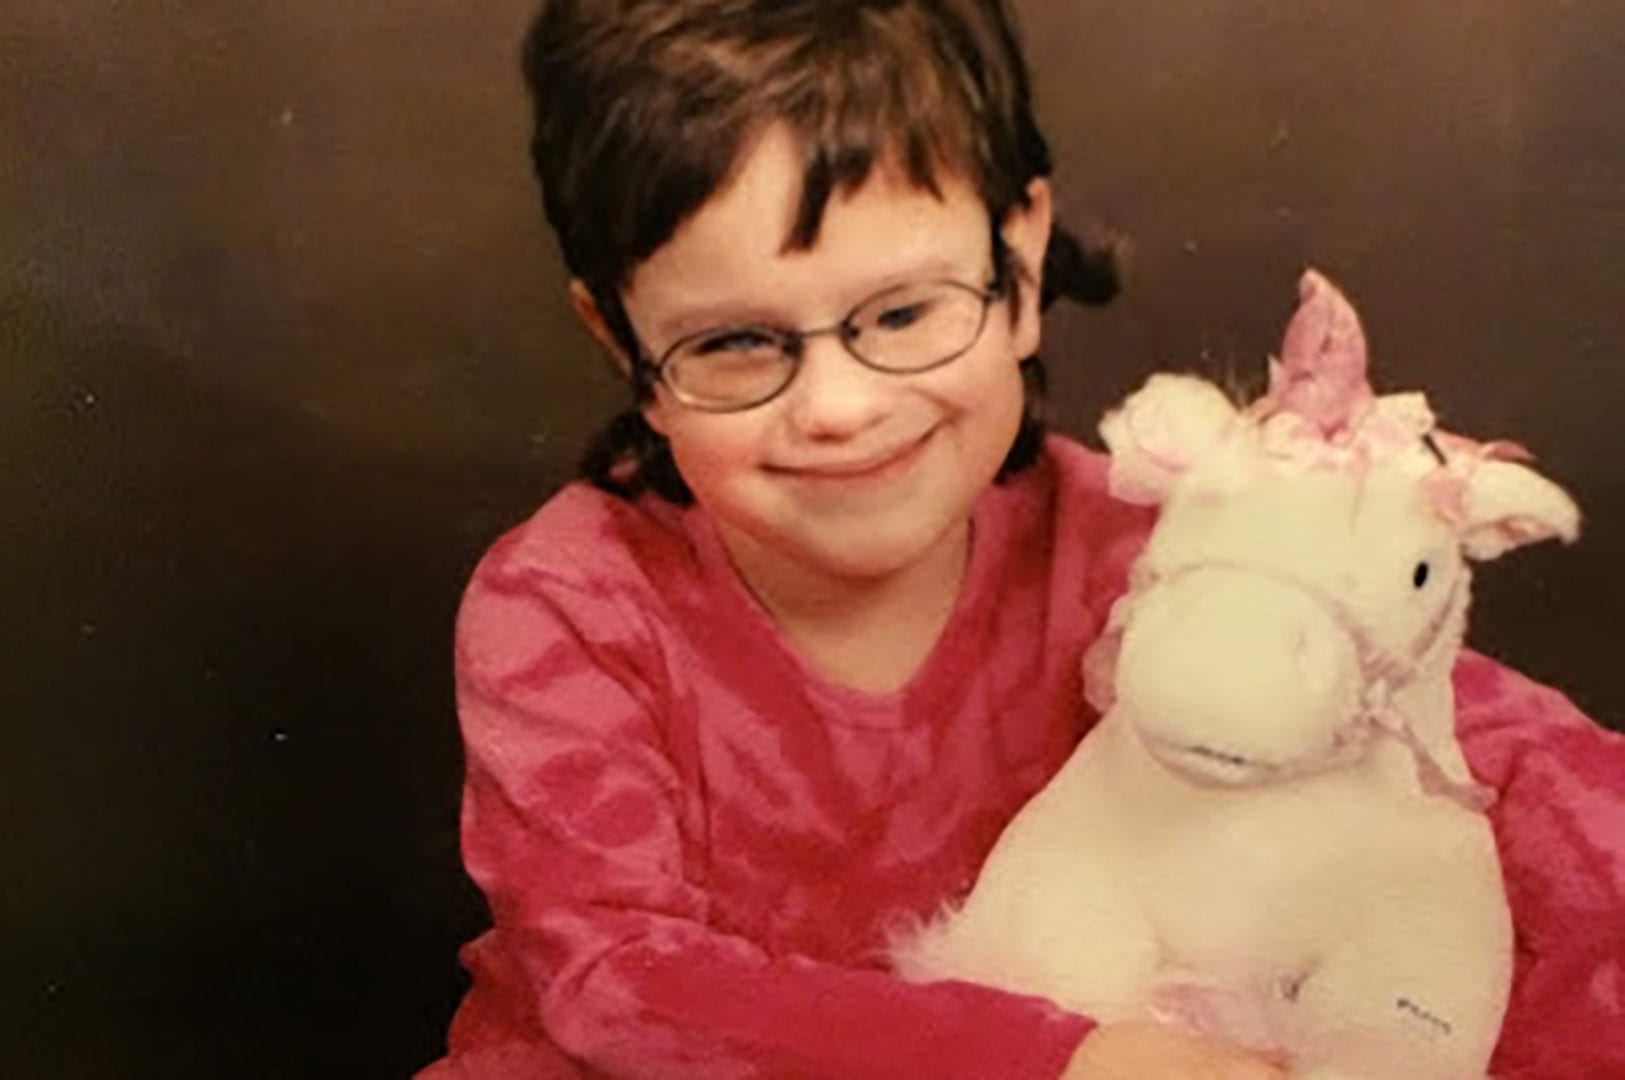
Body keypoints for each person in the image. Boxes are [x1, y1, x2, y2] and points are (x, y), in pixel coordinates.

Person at [420, 2, 1625, 1076]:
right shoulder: (566, 606)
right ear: (616, 334)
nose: (838, 408)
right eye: (734, 344)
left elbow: (1477, 747)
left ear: (1022, 249)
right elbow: (615, 982)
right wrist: (1066, 1062)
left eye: (901, 313)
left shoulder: (1143, 553)